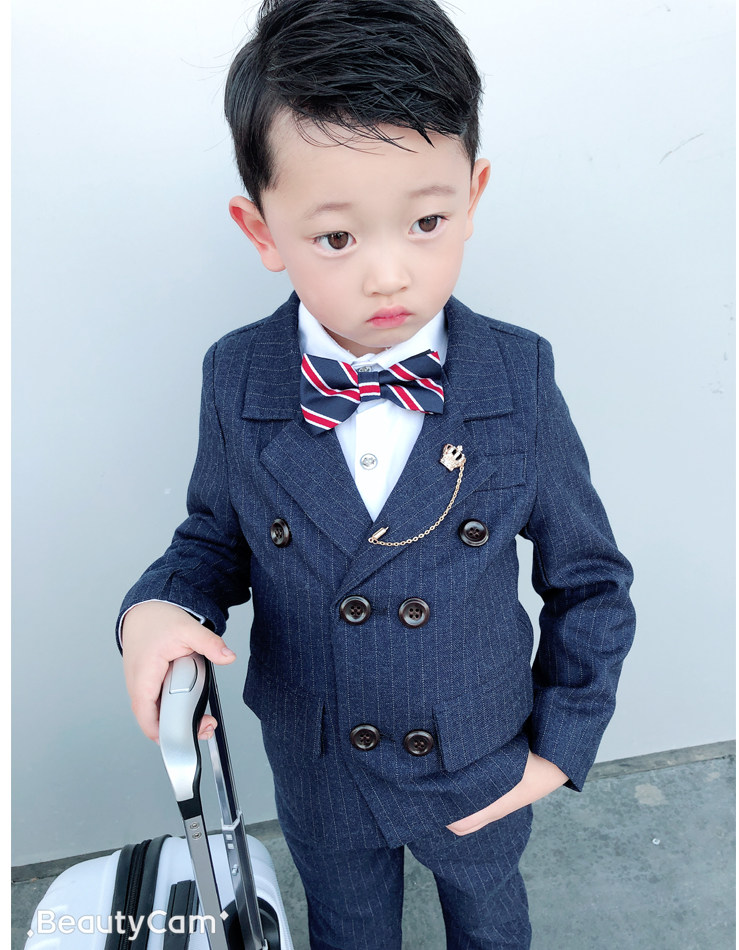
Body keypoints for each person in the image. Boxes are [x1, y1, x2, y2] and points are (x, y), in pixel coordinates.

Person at [118, 1, 636, 947]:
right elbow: (211, 542)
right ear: (261, 231)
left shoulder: (515, 376)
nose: (389, 275)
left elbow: (591, 579)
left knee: (492, 923)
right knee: (348, 929)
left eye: (427, 220)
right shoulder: (239, 377)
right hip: (323, 763)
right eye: (337, 238)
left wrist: (559, 751)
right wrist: (156, 609)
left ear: (474, 195)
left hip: (477, 754)